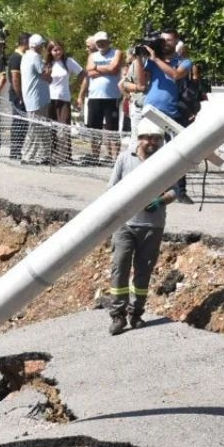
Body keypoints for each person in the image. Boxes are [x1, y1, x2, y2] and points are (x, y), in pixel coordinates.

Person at [106, 116, 179, 335]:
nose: (152, 143)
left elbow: (175, 191)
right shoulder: (124, 159)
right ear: (140, 139)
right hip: (125, 225)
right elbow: (111, 189)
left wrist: (160, 200)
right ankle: (117, 316)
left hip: (152, 226)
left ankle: (136, 313)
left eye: (156, 139)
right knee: (120, 269)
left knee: (143, 273)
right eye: (148, 138)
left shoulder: (166, 161)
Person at [137, 29, 195, 203]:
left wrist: (155, 59)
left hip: (172, 113)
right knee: (147, 149)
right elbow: (141, 82)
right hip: (150, 110)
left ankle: (180, 191)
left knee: (178, 153)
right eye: (162, 40)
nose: (165, 43)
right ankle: (147, 187)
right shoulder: (153, 61)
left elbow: (177, 75)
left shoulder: (184, 62)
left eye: (169, 40)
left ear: (176, 41)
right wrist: (139, 59)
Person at [77, 31, 124, 164]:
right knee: (94, 128)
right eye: (98, 42)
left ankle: (115, 158)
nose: (101, 44)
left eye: (103, 41)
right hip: (94, 96)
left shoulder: (117, 53)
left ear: (108, 41)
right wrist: (106, 69)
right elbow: (89, 71)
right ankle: (95, 156)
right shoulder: (92, 55)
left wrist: (97, 67)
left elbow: (114, 68)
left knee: (112, 129)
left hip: (111, 96)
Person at [46, 39, 82, 165]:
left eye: (59, 49)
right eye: (55, 50)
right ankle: (53, 154)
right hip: (50, 98)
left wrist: (74, 86)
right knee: (52, 127)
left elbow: (82, 73)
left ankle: (66, 156)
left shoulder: (68, 62)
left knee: (64, 127)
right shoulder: (47, 63)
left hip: (64, 98)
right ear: (50, 51)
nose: (57, 52)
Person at [19, 34, 53, 165]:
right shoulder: (35, 57)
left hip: (34, 97)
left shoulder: (26, 56)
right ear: (39, 46)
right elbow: (45, 74)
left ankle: (40, 155)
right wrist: (49, 72)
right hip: (37, 98)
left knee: (37, 127)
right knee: (37, 128)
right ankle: (30, 156)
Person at [6, 33, 30, 160]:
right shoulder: (16, 58)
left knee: (22, 123)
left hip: (21, 95)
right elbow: (15, 79)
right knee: (19, 123)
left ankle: (17, 150)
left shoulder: (23, 56)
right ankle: (15, 151)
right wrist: (20, 96)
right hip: (18, 96)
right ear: (25, 43)